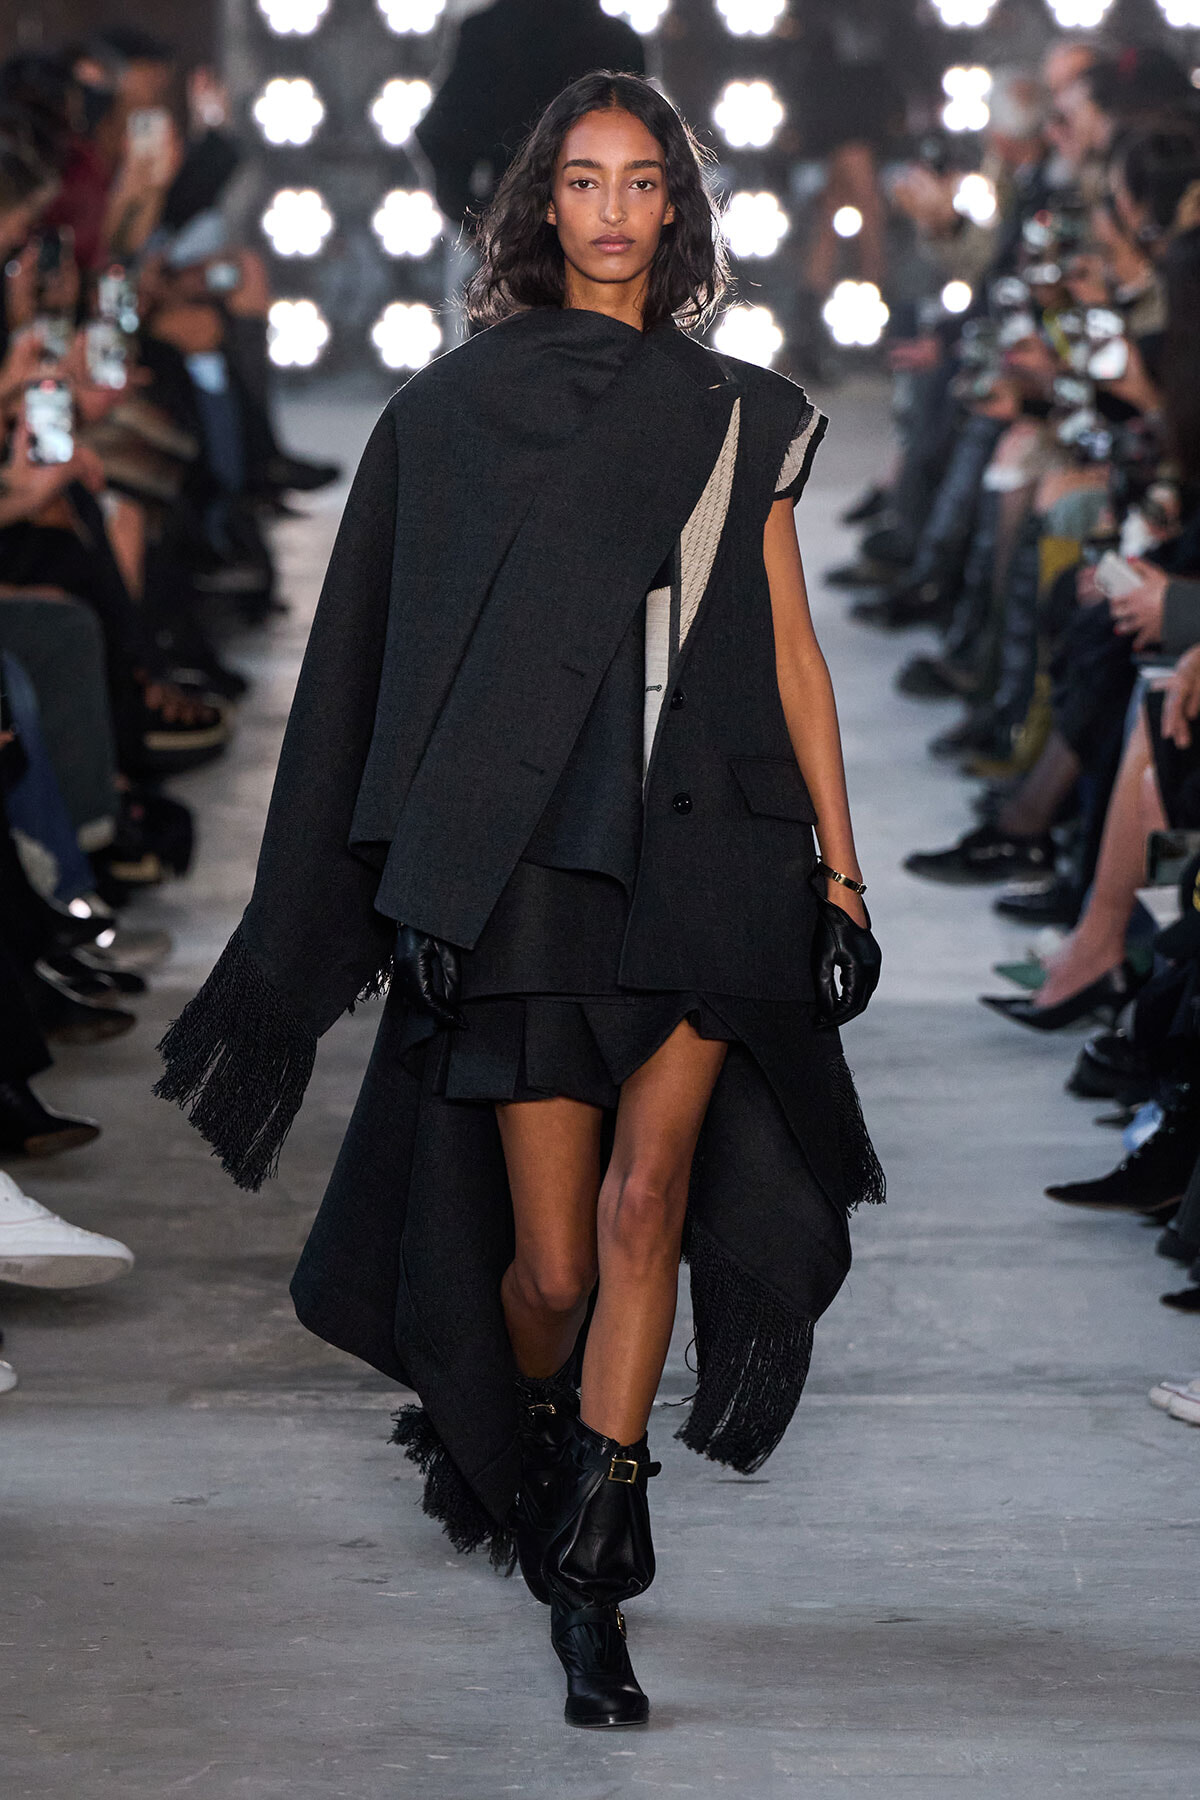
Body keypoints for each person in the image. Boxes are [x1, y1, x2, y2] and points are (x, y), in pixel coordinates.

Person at [157, 73, 883, 1729]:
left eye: (644, 183)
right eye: (585, 181)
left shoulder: (736, 410)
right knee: (550, 1267)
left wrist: (836, 871)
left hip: (710, 848)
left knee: (649, 1206)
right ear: (540, 208)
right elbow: (394, 668)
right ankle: (529, 1425)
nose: (616, 211)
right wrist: (420, 855)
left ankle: (592, 1575)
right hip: (535, 872)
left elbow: (789, 653)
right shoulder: (451, 413)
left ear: (677, 213)